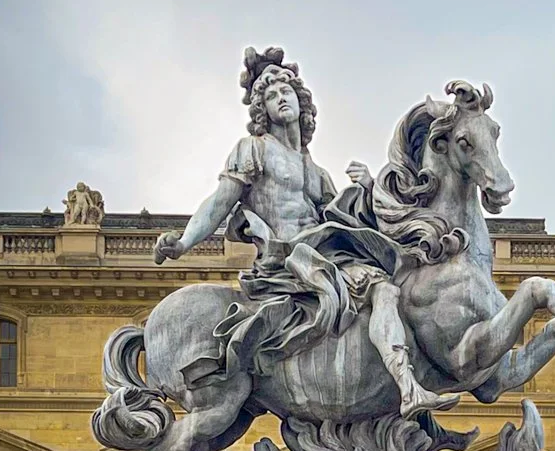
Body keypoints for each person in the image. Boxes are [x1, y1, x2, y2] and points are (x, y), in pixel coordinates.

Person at [154, 48, 452, 413]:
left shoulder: (318, 173)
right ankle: (408, 387)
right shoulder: (253, 150)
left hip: (325, 253)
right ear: (262, 109)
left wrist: (369, 187)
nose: (282, 99)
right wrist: (183, 242)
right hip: (289, 259)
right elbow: (219, 202)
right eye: (272, 95)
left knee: (397, 283)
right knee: (382, 289)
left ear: (302, 103)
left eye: (287, 92)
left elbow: (348, 222)